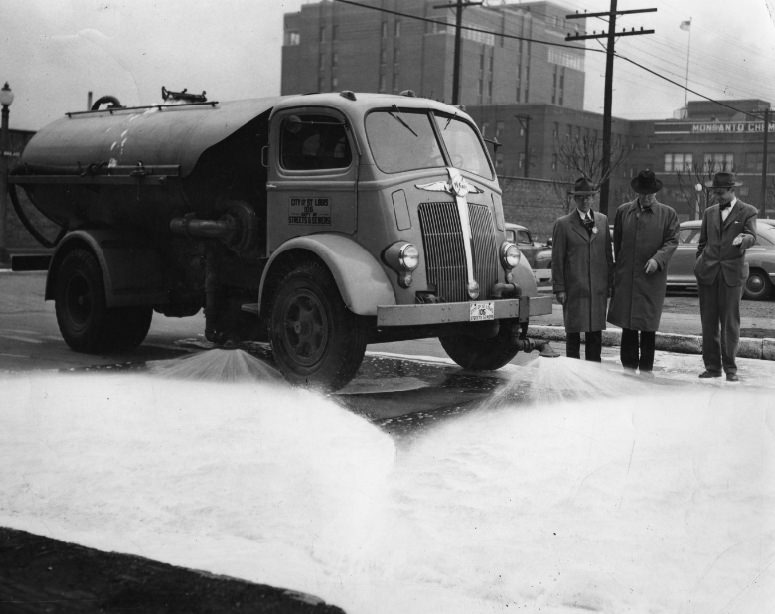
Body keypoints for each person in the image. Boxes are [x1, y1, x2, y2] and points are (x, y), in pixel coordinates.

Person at [607, 169, 679, 373]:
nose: (646, 197)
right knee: (628, 324)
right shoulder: (623, 211)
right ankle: (628, 368)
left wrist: (658, 259)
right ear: (637, 192)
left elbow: (672, 241)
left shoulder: (668, 214)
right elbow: (618, 243)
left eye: (650, 194)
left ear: (655, 193)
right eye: (643, 193)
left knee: (648, 326)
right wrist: (619, 269)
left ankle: (646, 369)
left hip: (651, 279)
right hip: (628, 277)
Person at [694, 171, 758, 382]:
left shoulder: (748, 211)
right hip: (708, 274)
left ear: (732, 190)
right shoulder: (709, 212)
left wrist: (744, 239)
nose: (717, 197)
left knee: (730, 323)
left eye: (721, 193)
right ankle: (712, 367)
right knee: (708, 322)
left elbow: (752, 236)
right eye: (715, 193)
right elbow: (702, 243)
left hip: (732, 275)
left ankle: (731, 369)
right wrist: (699, 264)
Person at [551, 176, 614, 361]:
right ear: (574, 199)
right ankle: (573, 371)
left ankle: (594, 370)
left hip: (597, 288)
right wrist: (559, 288)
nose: (585, 201)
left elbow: (608, 256)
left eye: (588, 197)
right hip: (574, 288)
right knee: (573, 333)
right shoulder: (563, 224)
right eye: (581, 198)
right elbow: (557, 259)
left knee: (595, 333)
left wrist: (610, 283)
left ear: (593, 198)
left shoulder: (602, 221)